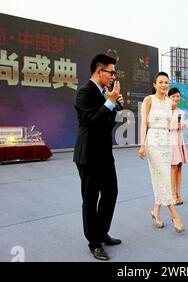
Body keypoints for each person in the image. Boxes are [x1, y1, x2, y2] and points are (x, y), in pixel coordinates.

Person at [73, 54, 124, 261]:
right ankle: (94, 243)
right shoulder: (84, 92)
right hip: (88, 155)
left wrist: (114, 105)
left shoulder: (105, 93)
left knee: (111, 192)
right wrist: (109, 103)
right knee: (90, 199)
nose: (113, 76)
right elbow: (89, 122)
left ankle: (102, 232)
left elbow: (106, 124)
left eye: (114, 73)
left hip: (104, 153)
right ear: (98, 71)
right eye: (111, 72)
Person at [138, 72, 185, 233]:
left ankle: (156, 211)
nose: (164, 85)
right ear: (154, 84)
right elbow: (144, 123)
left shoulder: (168, 103)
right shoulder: (149, 100)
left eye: (166, 82)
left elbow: (169, 124)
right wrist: (142, 145)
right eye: (161, 82)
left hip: (166, 143)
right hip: (153, 141)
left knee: (161, 176)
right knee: (164, 178)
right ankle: (174, 215)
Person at [168, 87, 188, 205]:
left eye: (177, 96)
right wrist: (174, 127)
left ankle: (178, 194)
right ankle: (172, 195)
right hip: (170, 141)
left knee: (179, 167)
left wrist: (183, 126)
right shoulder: (165, 111)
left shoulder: (181, 112)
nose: (176, 98)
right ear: (168, 98)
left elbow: (182, 126)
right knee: (173, 168)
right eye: (173, 96)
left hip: (179, 140)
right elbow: (162, 128)